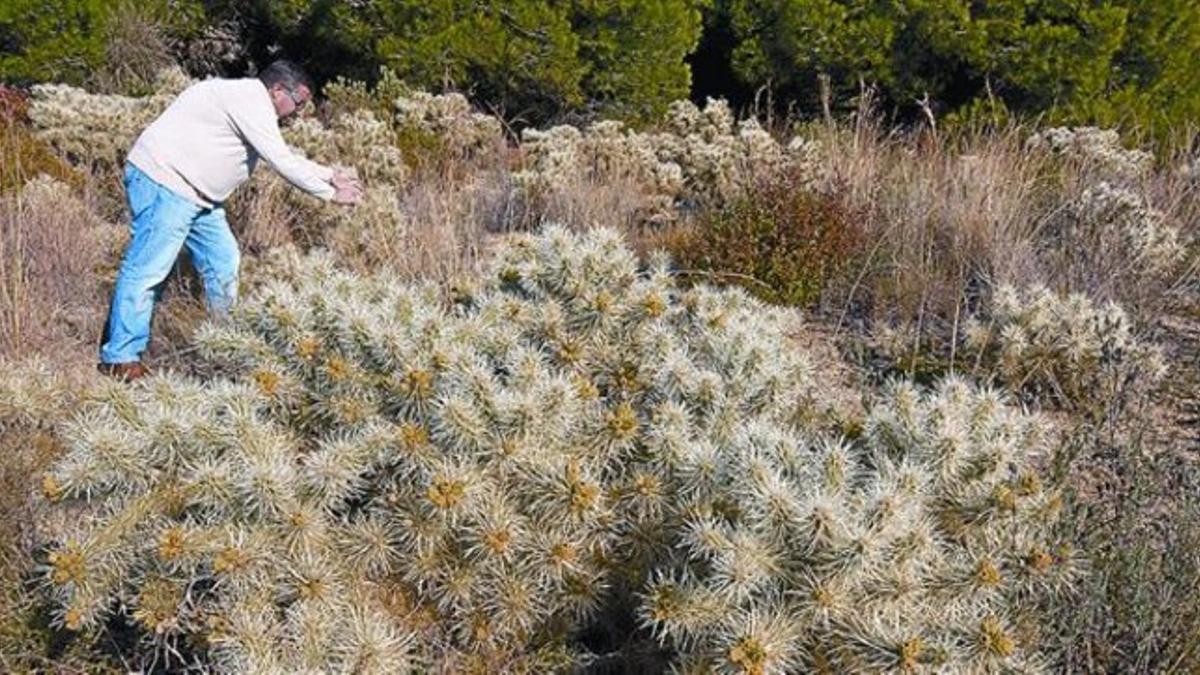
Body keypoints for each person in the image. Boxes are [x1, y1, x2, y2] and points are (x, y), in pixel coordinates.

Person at [97, 60, 363, 381]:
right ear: (277, 90)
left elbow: (284, 154)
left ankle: (225, 343)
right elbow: (279, 160)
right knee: (148, 269)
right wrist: (330, 194)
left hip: (198, 196)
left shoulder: (251, 103)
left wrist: (330, 175)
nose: (299, 112)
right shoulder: (249, 100)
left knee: (223, 260)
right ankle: (120, 358)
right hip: (166, 182)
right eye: (299, 103)